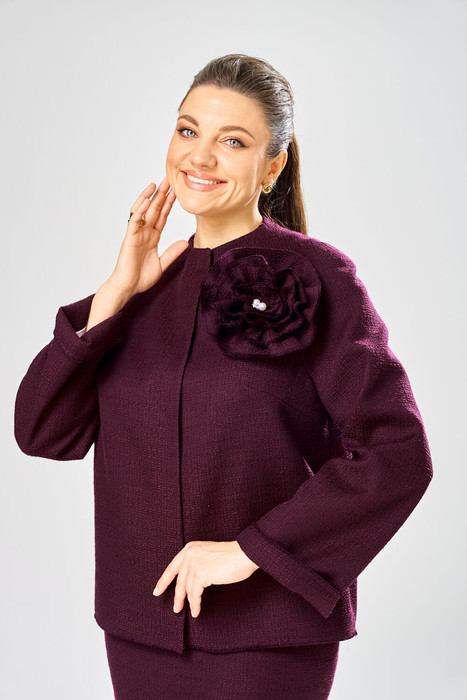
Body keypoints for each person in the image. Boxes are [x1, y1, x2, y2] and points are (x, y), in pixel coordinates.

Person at [14, 53, 433, 700]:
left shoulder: (320, 276)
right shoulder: (142, 289)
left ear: (273, 166)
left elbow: (396, 453)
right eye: (188, 130)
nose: (200, 156)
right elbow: (42, 431)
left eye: (232, 141)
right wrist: (116, 292)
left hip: (268, 633)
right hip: (141, 629)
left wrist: (251, 550)